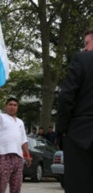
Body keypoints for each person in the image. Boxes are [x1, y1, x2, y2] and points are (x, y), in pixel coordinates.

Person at [57, 28, 93, 193]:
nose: (85, 48)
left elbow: (66, 97)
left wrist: (63, 129)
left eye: (87, 43)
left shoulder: (82, 59)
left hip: (81, 136)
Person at [0, 90, 32, 193]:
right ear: (6, 106)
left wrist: (28, 155)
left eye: (15, 105)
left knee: (16, 186)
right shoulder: (1, 117)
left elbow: (24, 140)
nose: (12, 107)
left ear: (17, 108)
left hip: (18, 157)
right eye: (10, 104)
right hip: (4, 155)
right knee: (1, 186)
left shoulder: (20, 122)